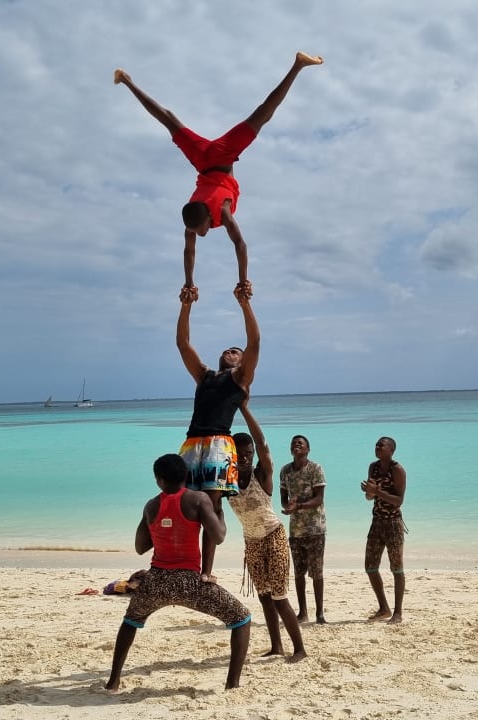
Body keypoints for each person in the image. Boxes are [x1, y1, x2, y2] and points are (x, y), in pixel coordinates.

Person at [113, 52, 324, 299]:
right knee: (168, 120)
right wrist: (188, 284)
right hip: (202, 159)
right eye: (197, 232)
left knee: (262, 114)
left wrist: (243, 282)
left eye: (201, 230)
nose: (201, 234)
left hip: (221, 156)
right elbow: (188, 252)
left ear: (207, 218)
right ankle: (125, 79)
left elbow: (240, 245)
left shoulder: (222, 212)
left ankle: (298, 65)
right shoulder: (192, 219)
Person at [104, 454, 251, 692]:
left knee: (130, 621)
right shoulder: (198, 499)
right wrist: (220, 515)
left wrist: (163, 527)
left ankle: (113, 681)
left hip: (156, 581)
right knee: (241, 619)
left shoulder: (151, 505)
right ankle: (232, 685)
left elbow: (140, 547)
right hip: (190, 582)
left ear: (159, 480)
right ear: (186, 475)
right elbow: (219, 536)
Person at [176, 284, 261, 583]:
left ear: (242, 361)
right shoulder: (204, 376)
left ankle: (206, 572)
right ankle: (184, 563)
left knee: (211, 506)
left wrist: (245, 305)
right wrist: (186, 306)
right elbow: (183, 344)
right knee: (185, 504)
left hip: (219, 444)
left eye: (235, 351)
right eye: (226, 350)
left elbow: (254, 342)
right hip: (192, 442)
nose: (229, 351)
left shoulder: (241, 378)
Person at [229, 400, 307, 661]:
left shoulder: (261, 474)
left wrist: (243, 408)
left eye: (249, 453)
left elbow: (263, 444)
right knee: (264, 597)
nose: (245, 457)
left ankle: (300, 649)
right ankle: (277, 647)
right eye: (240, 454)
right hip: (251, 542)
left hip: (274, 537)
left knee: (279, 598)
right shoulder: (227, 482)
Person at [279, 433, 327, 624]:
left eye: (300, 443)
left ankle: (320, 614)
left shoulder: (315, 468)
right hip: (296, 530)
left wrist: (298, 506)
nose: (296, 445)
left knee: (317, 573)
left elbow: (319, 498)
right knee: (299, 573)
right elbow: (283, 498)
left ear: (308, 449)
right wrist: (288, 507)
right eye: (293, 443)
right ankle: (303, 612)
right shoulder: (285, 471)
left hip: (315, 529)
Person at [360, 436, 406, 624]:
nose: (377, 447)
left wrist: (377, 492)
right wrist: (369, 492)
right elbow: (369, 498)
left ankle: (398, 612)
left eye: (381, 445)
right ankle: (384, 608)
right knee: (370, 567)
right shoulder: (373, 467)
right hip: (377, 522)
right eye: (376, 445)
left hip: (393, 523)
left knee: (397, 568)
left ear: (391, 450)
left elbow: (399, 501)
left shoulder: (397, 470)